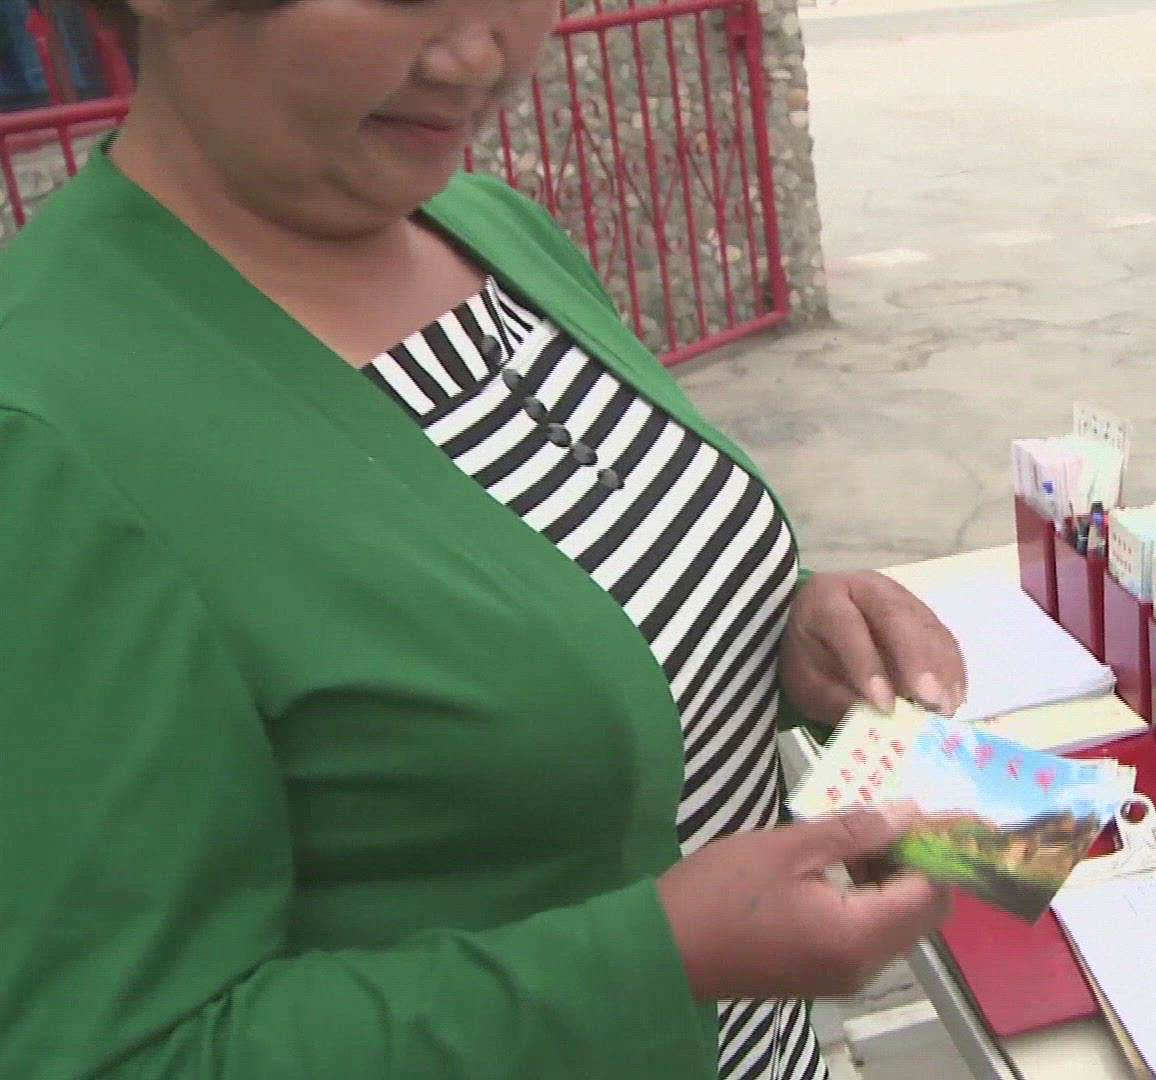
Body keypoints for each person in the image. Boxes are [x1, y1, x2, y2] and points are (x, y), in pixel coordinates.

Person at [0, 1, 967, 1078]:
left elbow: (567, 613)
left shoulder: (489, 228)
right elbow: (115, 1052)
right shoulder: (47, 434)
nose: (476, 54)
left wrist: (777, 633)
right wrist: (651, 962)